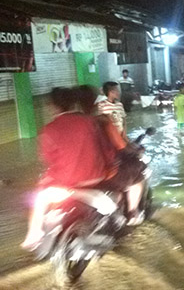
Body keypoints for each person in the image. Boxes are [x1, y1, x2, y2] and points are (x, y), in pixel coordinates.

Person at [21, 87, 108, 250]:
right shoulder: (89, 122)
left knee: (38, 196)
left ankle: (34, 233)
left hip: (66, 182)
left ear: (52, 106)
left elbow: (47, 159)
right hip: (95, 177)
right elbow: (103, 149)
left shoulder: (49, 129)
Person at [77, 85, 145, 226]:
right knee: (138, 172)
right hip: (103, 173)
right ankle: (132, 212)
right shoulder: (103, 120)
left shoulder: (67, 124)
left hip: (74, 177)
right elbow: (120, 145)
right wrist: (133, 150)